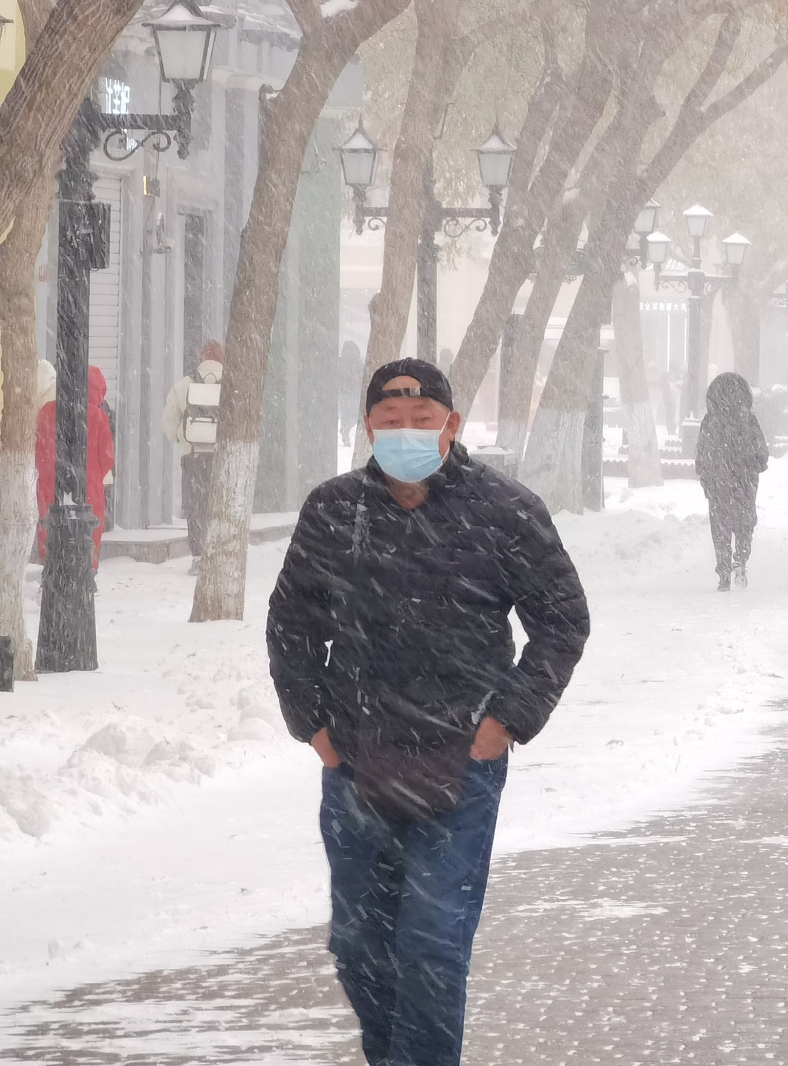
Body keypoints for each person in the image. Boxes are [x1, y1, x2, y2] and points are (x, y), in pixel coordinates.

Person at [266, 358, 589, 1066]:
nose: (407, 433)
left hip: (459, 764)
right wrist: (314, 726)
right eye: (390, 422)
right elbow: (292, 619)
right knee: (360, 947)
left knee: (432, 945)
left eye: (422, 420)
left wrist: (503, 722)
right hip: (356, 762)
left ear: (452, 425)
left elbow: (563, 621)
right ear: (368, 428)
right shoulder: (334, 509)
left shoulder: (504, 511)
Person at [695, 372, 768, 591]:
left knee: (720, 528)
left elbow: (702, 454)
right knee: (745, 525)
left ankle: (724, 571)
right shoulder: (748, 420)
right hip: (744, 483)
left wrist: (707, 477)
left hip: (719, 485)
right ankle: (741, 561)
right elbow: (761, 453)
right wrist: (753, 467)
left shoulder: (710, 421)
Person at [36, 363, 115, 565]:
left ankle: (51, 566)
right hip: (89, 486)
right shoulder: (99, 417)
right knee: (91, 527)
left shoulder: (47, 411)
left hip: (49, 481)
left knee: (49, 524)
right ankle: (87, 569)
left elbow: (38, 448)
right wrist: (94, 474)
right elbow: (107, 457)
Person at [162, 341, 225, 561]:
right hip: (220, 456)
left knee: (195, 503)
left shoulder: (184, 384)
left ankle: (198, 554)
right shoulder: (230, 384)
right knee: (218, 503)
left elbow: (169, 418)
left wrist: (179, 439)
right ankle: (217, 551)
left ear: (201, 357)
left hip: (191, 454)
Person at [338, 341, 363, 448]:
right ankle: (346, 431)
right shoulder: (357, 363)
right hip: (352, 394)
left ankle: (345, 431)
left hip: (346, 394)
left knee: (347, 415)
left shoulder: (341, 362)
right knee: (352, 415)